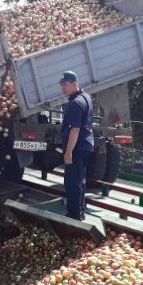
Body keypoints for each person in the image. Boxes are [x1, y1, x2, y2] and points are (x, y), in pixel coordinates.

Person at [59, 71, 95, 220]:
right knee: (80, 179)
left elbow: (75, 129)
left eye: (65, 85)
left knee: (72, 181)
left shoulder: (75, 103)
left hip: (77, 147)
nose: (63, 88)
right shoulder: (86, 97)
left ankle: (73, 214)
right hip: (86, 144)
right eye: (61, 85)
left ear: (74, 83)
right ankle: (80, 210)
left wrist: (68, 152)